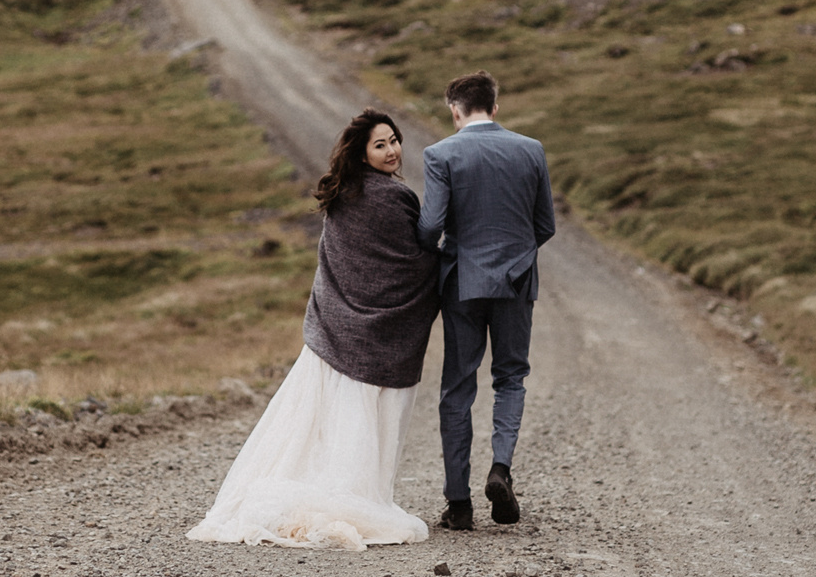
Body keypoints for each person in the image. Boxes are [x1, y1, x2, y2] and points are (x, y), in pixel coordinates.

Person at [186, 110, 439, 549]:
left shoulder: (344, 194)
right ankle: (354, 498)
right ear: (361, 152)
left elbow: (346, 265)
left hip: (335, 330)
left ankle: (336, 491)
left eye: (395, 140)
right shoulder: (393, 199)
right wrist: (444, 259)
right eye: (380, 145)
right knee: (358, 422)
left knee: (324, 421)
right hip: (367, 336)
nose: (393, 150)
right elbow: (406, 264)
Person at [417, 70, 554, 532]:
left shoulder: (440, 154)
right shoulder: (530, 149)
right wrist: (515, 256)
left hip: (461, 284)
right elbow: (545, 225)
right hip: (516, 283)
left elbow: (430, 225)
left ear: (454, 110)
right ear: (495, 107)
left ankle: (459, 503)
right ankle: (501, 469)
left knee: (457, 387)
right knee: (511, 378)